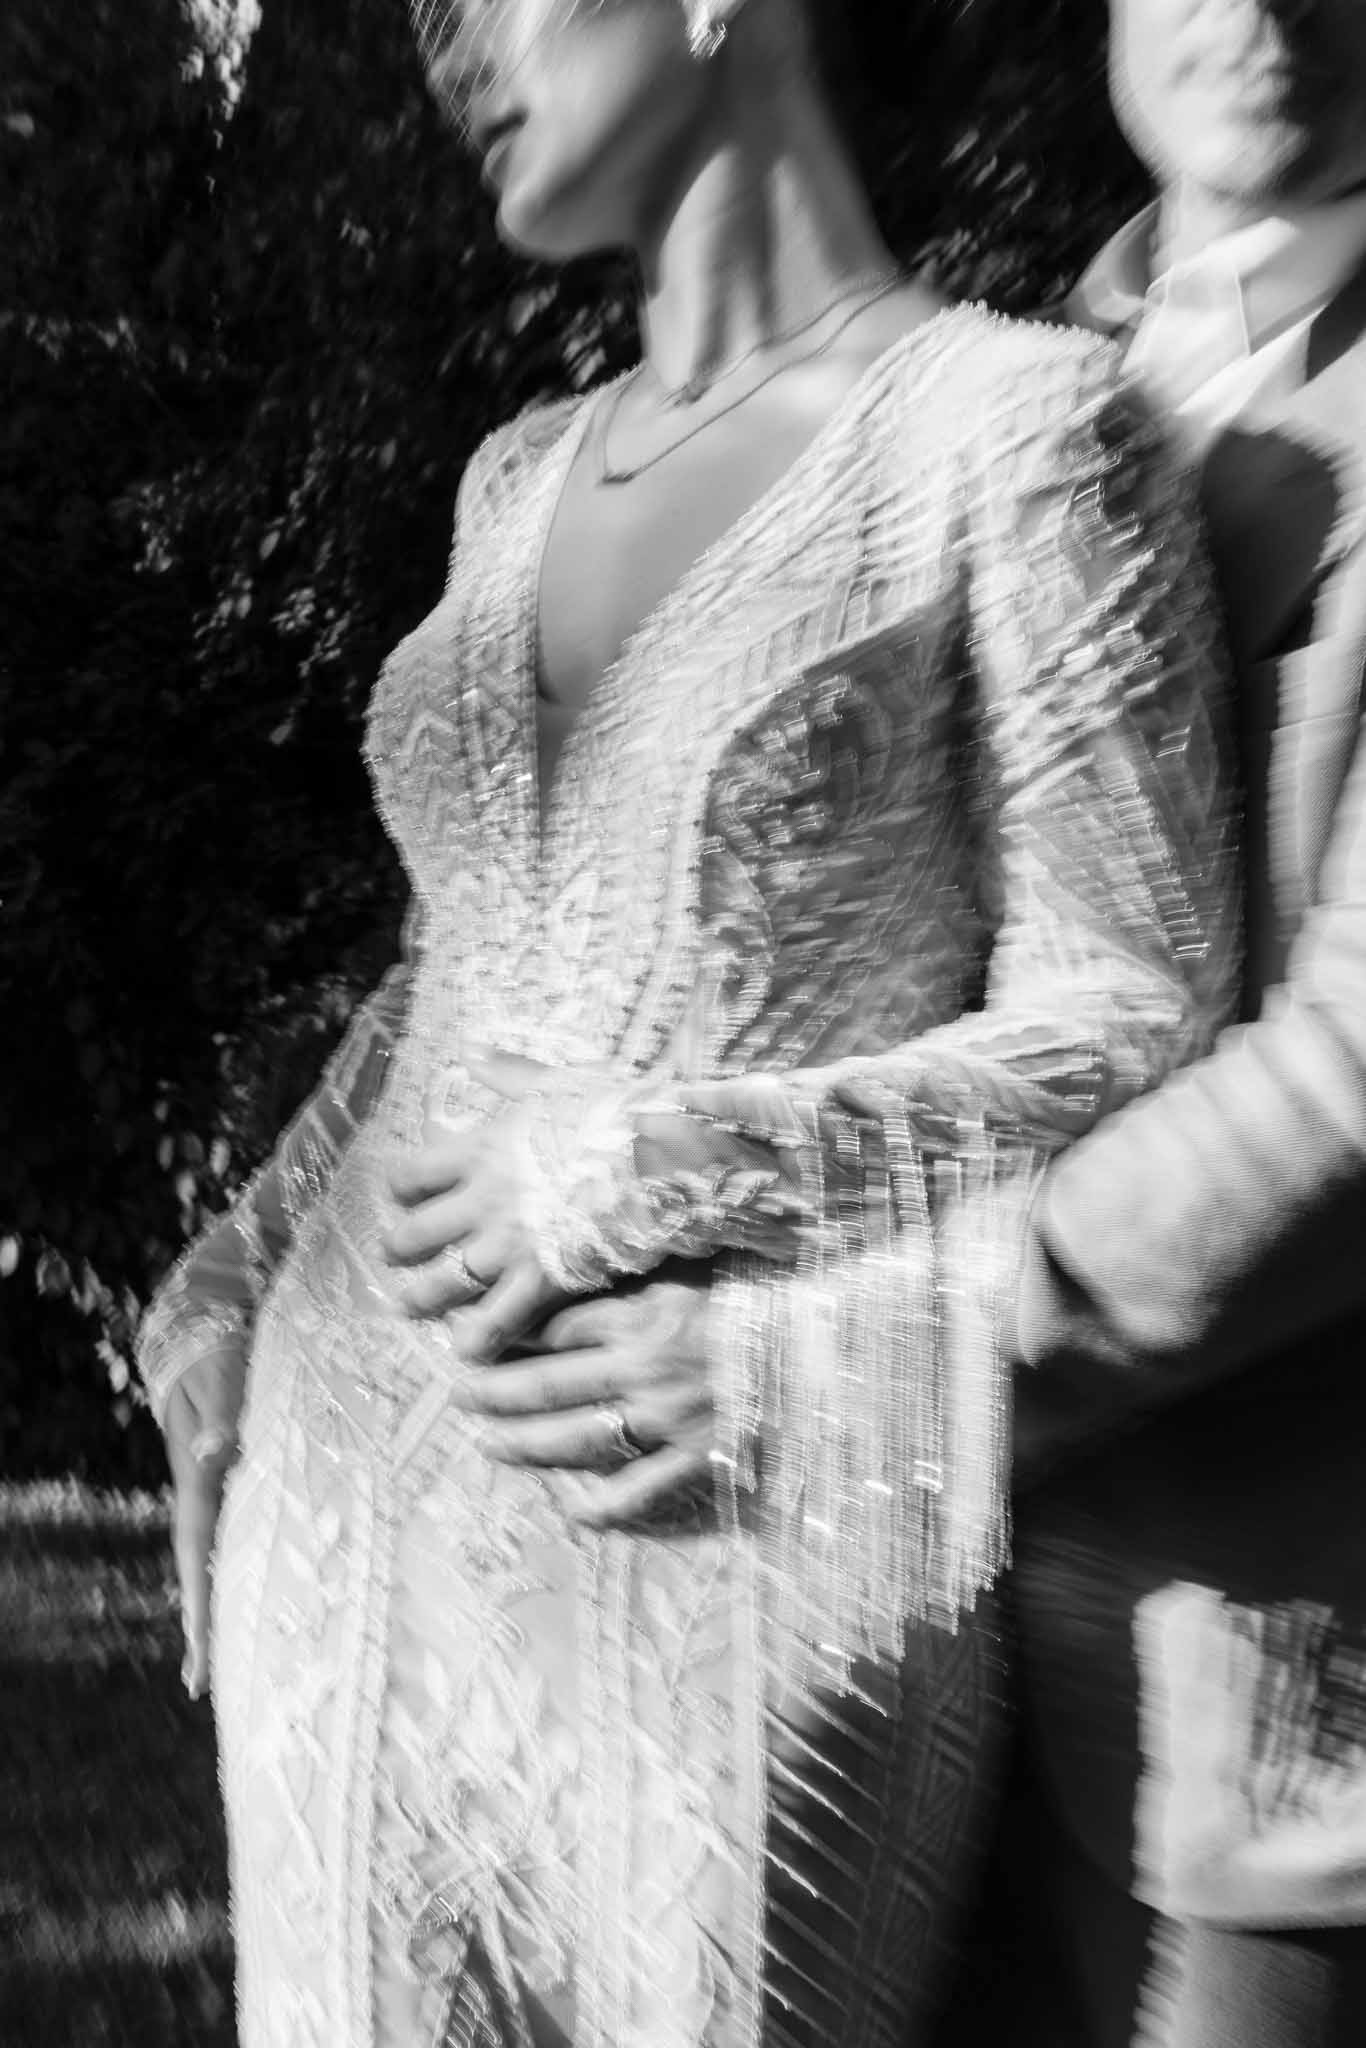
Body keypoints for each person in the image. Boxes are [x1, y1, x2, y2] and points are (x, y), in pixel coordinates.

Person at [137, 2, 1238, 2043]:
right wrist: (224, 1271)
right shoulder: (515, 475)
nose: (440, 49)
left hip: (730, 1523)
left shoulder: (1016, 427)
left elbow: (1134, 1013)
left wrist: (649, 1162)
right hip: (341, 1521)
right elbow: (457, 967)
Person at [936, 3, 1366, 2045]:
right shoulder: (1002, 389)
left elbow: (1344, 1088)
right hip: (908, 1676)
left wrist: (873, 1365)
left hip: (1279, 1716)